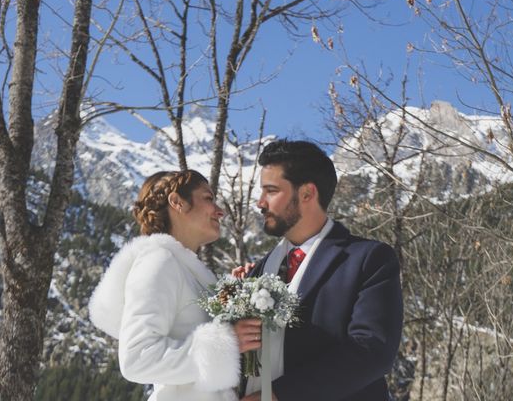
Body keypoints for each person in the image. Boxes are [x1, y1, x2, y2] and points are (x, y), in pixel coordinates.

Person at [240, 140, 403, 401]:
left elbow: (371, 350)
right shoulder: (257, 271)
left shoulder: (368, 260)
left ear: (307, 193)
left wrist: (278, 396)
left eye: (271, 191)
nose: (260, 203)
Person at [89, 170, 262, 401]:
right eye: (208, 198)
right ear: (177, 202)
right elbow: (137, 359)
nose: (219, 211)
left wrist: (235, 295)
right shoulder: (159, 260)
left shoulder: (185, 270)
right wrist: (226, 342)